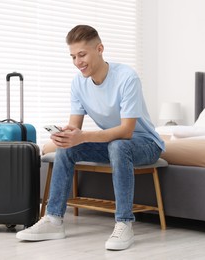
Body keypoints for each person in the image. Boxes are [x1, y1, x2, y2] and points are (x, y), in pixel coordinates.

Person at [16, 24, 165, 251]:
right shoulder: (78, 83)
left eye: (82, 54)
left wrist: (83, 136)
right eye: (73, 56)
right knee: (67, 148)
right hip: (114, 144)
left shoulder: (127, 77)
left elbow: (126, 131)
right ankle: (54, 219)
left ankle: (124, 223)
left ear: (100, 49)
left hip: (145, 144)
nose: (78, 62)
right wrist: (65, 136)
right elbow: (76, 128)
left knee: (119, 146)